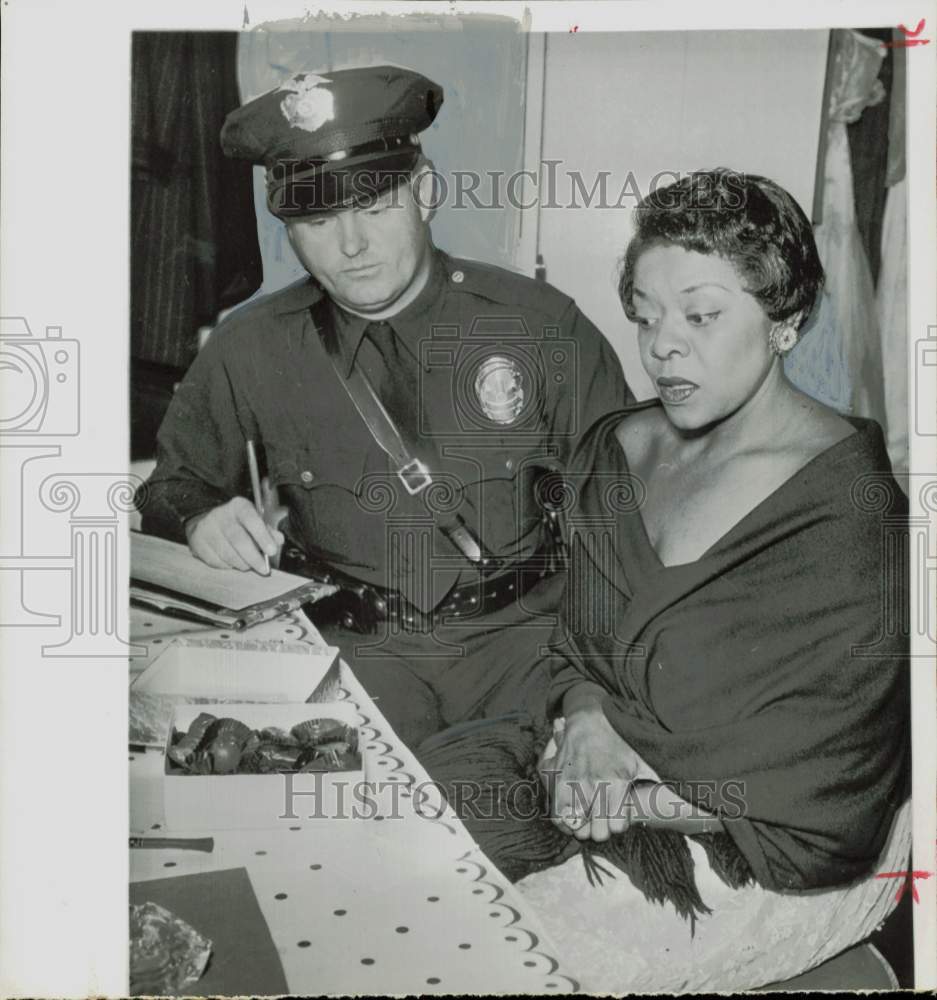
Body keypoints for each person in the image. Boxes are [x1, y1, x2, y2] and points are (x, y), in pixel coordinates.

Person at [418, 169, 910, 991]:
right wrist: (586, 720)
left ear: (785, 319)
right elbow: (576, 643)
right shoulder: (617, 448)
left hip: (746, 851)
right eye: (645, 317)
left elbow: (828, 797)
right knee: (397, 846)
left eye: (701, 315)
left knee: (475, 959)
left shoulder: (851, 512)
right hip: (588, 771)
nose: (662, 345)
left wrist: (626, 798)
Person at [135, 65, 629, 746]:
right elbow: (167, 488)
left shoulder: (541, 328)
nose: (351, 246)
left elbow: (625, 535)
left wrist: (593, 699)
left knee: (528, 819)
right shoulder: (250, 345)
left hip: (522, 650)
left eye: (374, 207)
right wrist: (199, 515)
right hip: (357, 652)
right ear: (288, 226)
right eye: (318, 218)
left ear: (424, 191)